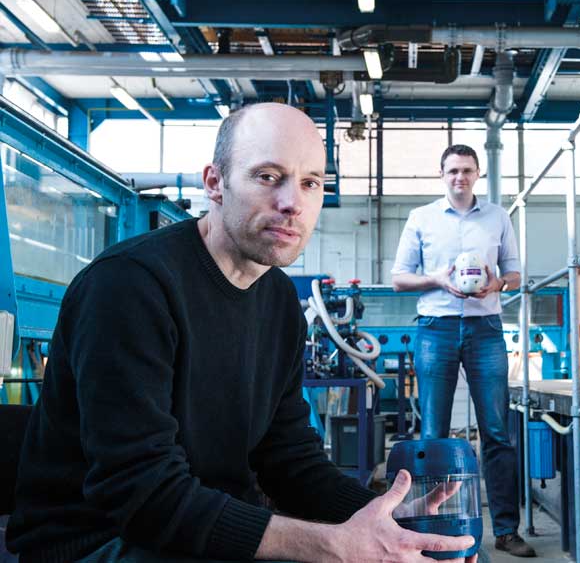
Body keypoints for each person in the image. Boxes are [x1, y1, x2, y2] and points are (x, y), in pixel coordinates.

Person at [6, 103, 475, 563]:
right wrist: (335, 546)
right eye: (268, 176)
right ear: (215, 183)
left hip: (196, 529)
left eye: (310, 183)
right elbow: (142, 493)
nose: (292, 203)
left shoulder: (279, 306)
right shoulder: (129, 287)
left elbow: (289, 459)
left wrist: (380, 522)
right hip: (101, 541)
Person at [391, 144, 536, 558]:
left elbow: (513, 272)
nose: (460, 177)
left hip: (485, 328)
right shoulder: (421, 219)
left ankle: (506, 530)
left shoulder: (497, 217)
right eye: (453, 170)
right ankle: (430, 530)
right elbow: (399, 278)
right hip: (435, 328)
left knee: (496, 431)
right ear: (442, 174)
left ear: (478, 174)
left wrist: (498, 284)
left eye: (467, 170)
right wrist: (437, 279)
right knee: (433, 433)